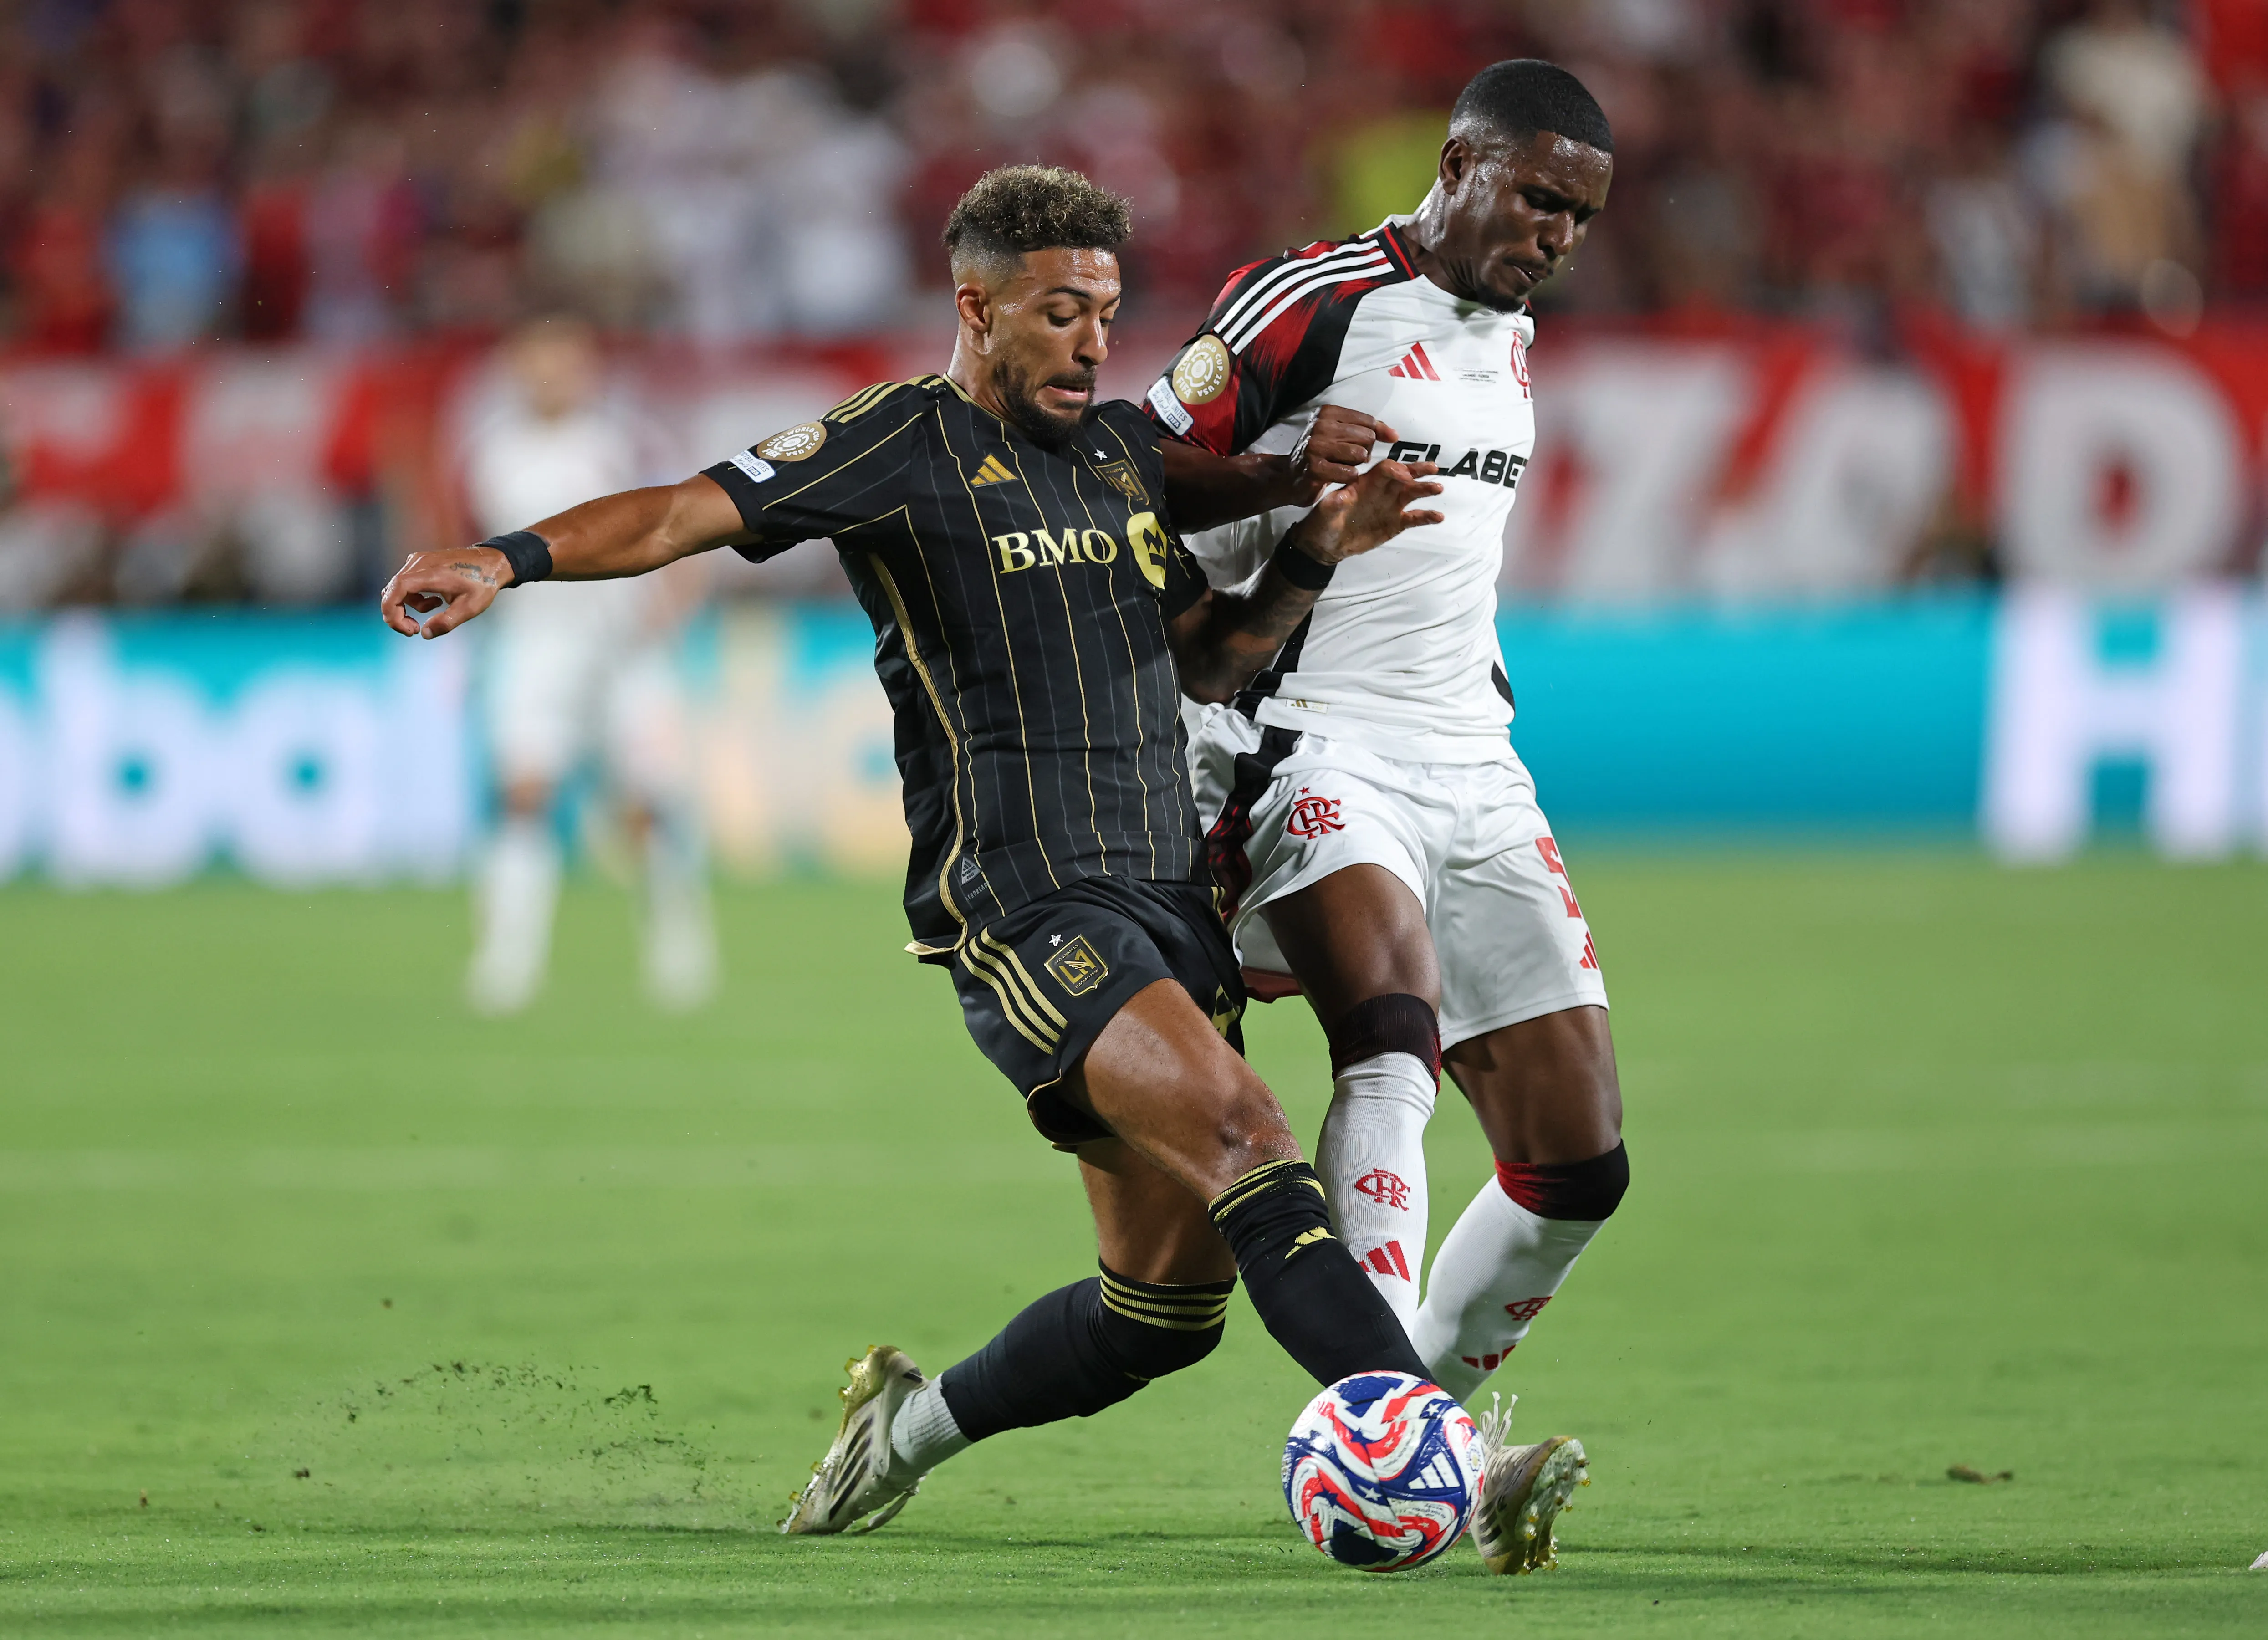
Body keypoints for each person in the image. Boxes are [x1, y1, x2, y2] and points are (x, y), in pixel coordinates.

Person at [380, 167, 1577, 1556]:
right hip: (1024, 908)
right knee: (1252, 1135)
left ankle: (903, 1430)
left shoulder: (1123, 461)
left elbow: (1209, 657)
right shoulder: (899, 442)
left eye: (1105, 313)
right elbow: (675, 515)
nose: (1087, 341)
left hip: (1164, 907)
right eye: (1058, 311)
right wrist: (505, 559)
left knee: (1162, 1315)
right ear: (977, 308)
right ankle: (1431, 1452)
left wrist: (1307, 549)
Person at [1144, 60, 1625, 1572]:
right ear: (1460, 161)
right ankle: (1397, 1438)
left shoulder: (1513, 339)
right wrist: (1279, 473)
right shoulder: (1318, 300)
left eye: (1579, 217)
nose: (1555, 233)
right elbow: (1121, 469)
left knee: (1577, 1166)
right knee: (1394, 1043)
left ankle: (1423, 1422)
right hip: (1310, 738)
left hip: (1474, 760)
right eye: (1537, 197)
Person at [455, 315, 718, 1015]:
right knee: (523, 793)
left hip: (623, 646)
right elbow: (461, 546)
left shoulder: (622, 441)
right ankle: (508, 959)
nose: (550, 378)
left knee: (645, 804)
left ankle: (679, 945)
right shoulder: (490, 451)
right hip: (533, 645)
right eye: (538, 364)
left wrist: (674, 605)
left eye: (564, 363)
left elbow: (692, 517)